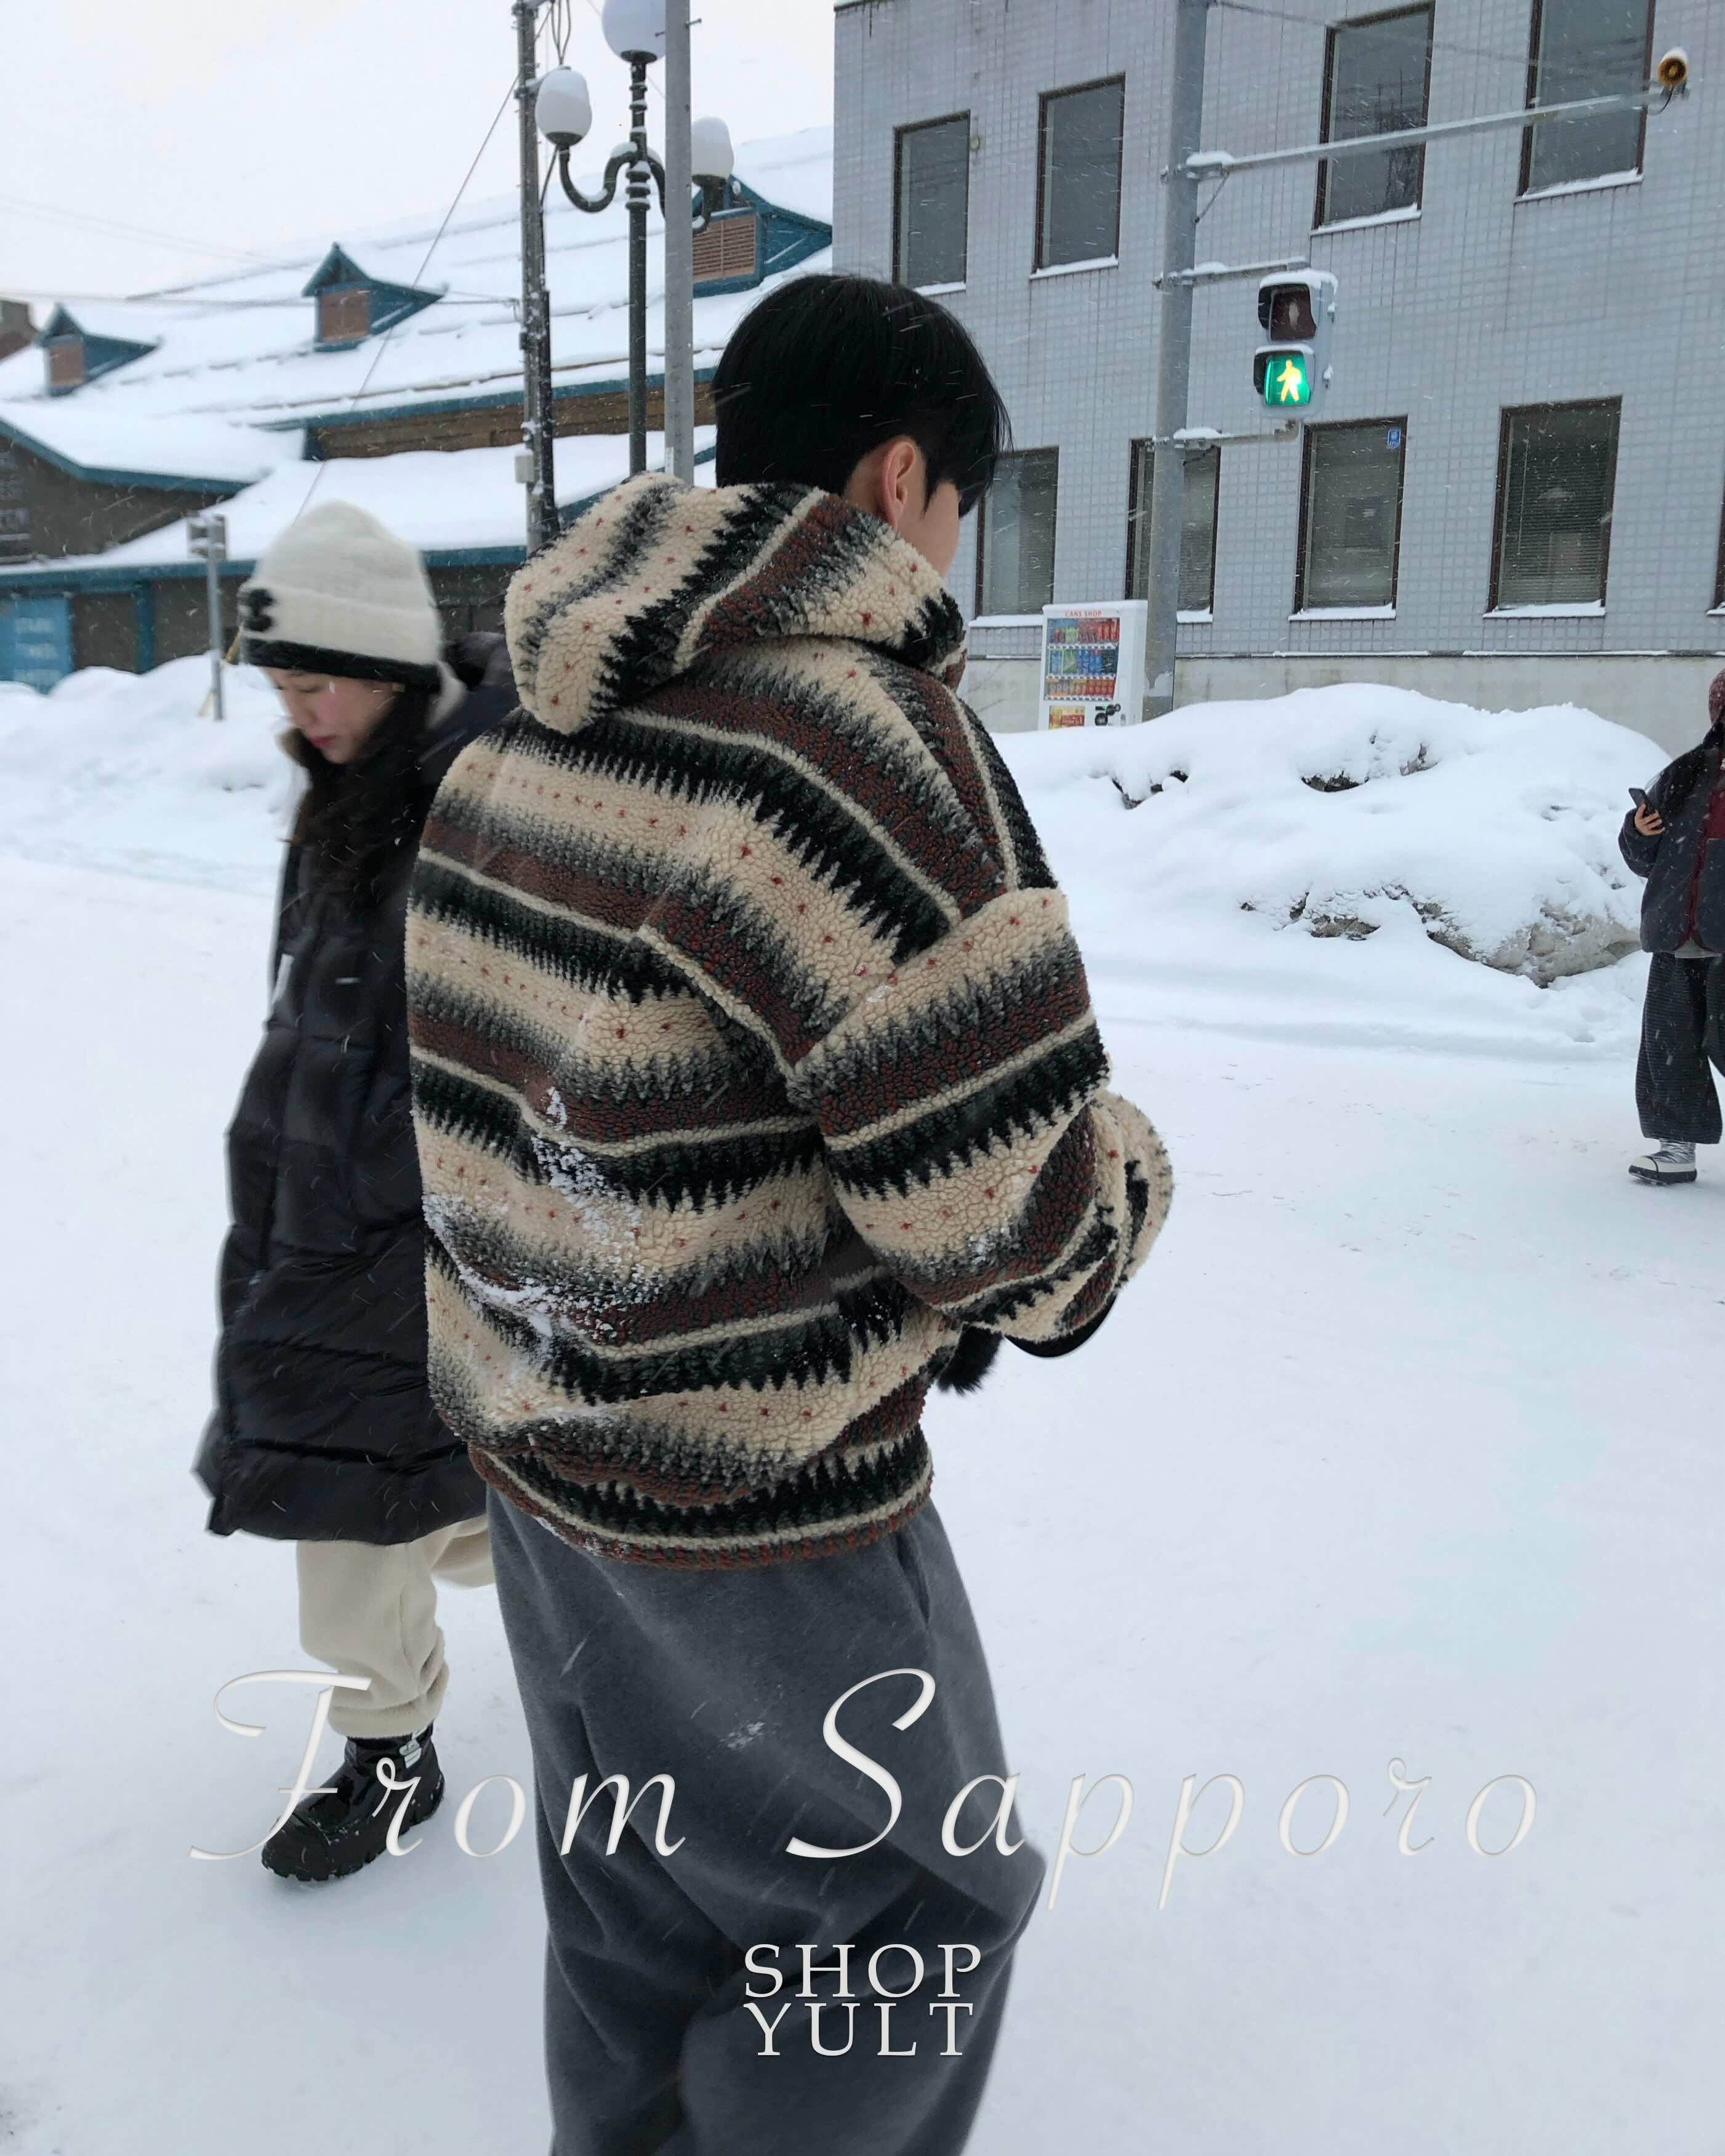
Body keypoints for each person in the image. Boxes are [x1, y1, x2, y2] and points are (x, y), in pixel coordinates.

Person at [405, 275, 1173, 2152]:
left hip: (539, 1463)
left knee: (637, 1905)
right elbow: (1015, 1229)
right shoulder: (850, 742)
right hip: (753, 1506)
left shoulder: (528, 720)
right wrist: (1129, 1177)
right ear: (902, 477)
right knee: (906, 1916)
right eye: (960, 508)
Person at [196, 501, 516, 1883]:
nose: (299, 711)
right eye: (281, 686)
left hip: (423, 1234)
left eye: (315, 680)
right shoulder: (353, 781)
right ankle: (406, 1728)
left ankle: (397, 1756)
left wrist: (395, 1178)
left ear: (387, 662)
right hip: (323, 1214)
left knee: (376, 1499)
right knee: (369, 1494)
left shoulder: (481, 799)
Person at [1619, 666, 1725, 1186]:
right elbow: (1644, 858)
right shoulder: (1688, 772)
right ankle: (1676, 1146)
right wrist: (1639, 832)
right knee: (1671, 1043)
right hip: (1679, 934)